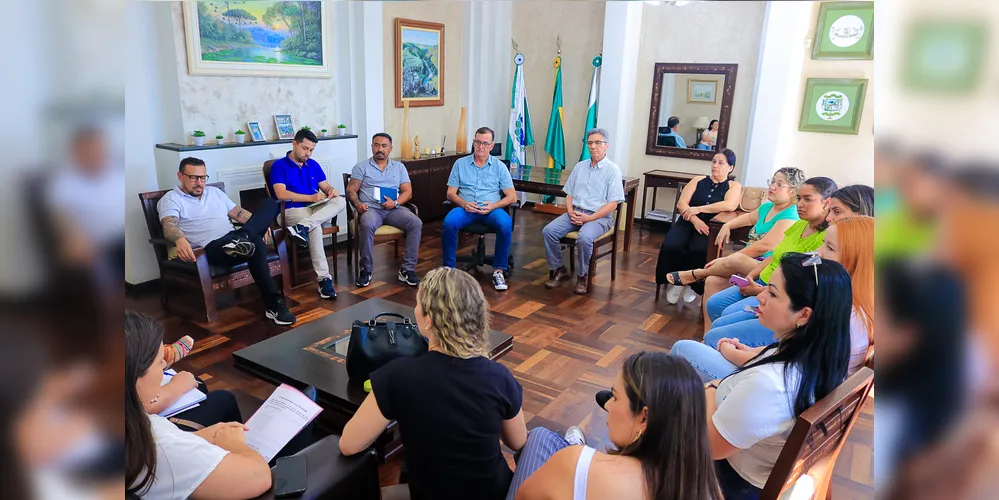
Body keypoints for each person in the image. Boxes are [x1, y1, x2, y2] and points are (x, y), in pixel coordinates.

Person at [339, 267, 528, 500]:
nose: (415, 309)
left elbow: (349, 445)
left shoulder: (397, 375)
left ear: (429, 320)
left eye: (418, 303)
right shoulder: (499, 376)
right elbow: (518, 441)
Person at [705, 254, 853, 499]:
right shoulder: (820, 356)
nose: (759, 297)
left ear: (804, 315)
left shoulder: (771, 384)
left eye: (772, 293)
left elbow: (709, 447)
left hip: (730, 481)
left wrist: (710, 389)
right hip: (748, 466)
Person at [672, 216, 874, 380]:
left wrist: (732, 353)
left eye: (829, 248)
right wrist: (748, 352)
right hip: (784, 379)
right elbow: (785, 352)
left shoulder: (838, 314)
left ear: (856, 259)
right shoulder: (852, 305)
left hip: (775, 389)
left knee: (684, 349)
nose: (818, 253)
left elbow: (781, 365)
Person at [507, 352, 723, 500]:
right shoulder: (707, 488)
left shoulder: (576, 465)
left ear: (645, 417)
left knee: (539, 438)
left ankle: (569, 443)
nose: (607, 405)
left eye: (616, 398)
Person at [125, 310, 272, 499]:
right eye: (160, 362)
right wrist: (234, 444)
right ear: (135, 377)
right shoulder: (155, 443)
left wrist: (202, 437)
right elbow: (258, 476)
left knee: (220, 398)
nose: (164, 367)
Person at [158, 157, 295, 325]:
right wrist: (179, 239)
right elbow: (169, 225)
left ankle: (242, 238)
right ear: (180, 176)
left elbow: (238, 213)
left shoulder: (214, 192)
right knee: (256, 243)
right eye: (193, 178)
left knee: (270, 203)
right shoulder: (171, 199)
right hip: (211, 248)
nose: (199, 182)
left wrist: (258, 223)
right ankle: (274, 304)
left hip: (234, 238)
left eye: (203, 177)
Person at [700, 177, 837, 329]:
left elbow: (801, 282)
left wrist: (759, 290)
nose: (800, 204)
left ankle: (722, 342)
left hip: (779, 293)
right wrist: (752, 276)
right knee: (714, 304)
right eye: (799, 198)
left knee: (726, 316)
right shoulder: (800, 224)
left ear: (827, 202)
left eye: (808, 199)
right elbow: (775, 254)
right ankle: (713, 341)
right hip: (762, 281)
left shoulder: (825, 240)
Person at [664, 167, 805, 290]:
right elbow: (749, 218)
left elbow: (765, 246)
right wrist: (728, 225)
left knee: (736, 260)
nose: (772, 186)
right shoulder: (767, 207)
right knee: (712, 282)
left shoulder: (791, 215)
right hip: (750, 263)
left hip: (768, 267)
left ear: (793, 191)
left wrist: (729, 259)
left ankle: (696, 274)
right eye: (772, 181)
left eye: (779, 184)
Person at [542, 128, 625, 295]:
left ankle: (582, 276)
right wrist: (571, 211)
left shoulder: (613, 171)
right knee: (548, 231)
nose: (593, 146)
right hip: (575, 212)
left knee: (584, 238)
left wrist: (590, 218)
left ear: (606, 145)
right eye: (590, 143)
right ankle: (560, 270)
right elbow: (569, 194)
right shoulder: (580, 167)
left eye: (598, 143)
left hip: (599, 217)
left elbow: (613, 204)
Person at [268, 129, 347, 300]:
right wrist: (310, 197)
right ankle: (324, 279)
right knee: (315, 228)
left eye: (311, 150)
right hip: (290, 211)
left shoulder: (313, 165)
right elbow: (281, 194)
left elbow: (325, 187)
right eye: (305, 148)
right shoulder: (279, 166)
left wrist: (331, 190)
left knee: (340, 200)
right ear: (294, 144)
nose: (308, 153)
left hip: (314, 209)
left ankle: (302, 227)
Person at [656, 149, 742, 304]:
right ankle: (676, 282)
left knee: (699, 249)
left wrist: (699, 209)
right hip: (688, 221)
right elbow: (682, 204)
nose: (715, 165)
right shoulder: (698, 180)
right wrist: (695, 219)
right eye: (714, 161)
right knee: (671, 245)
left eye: (721, 163)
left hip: (710, 226)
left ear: (731, 167)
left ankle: (692, 283)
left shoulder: (733, 185)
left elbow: (730, 204)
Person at [441, 127, 518, 291]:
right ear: (474, 142)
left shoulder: (499, 167)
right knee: (449, 222)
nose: (480, 146)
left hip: (491, 210)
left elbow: (512, 197)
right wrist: (463, 204)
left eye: (485, 143)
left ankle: (499, 270)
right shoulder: (460, 164)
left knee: (506, 224)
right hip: (466, 208)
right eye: (478, 142)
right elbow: (450, 193)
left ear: (491, 146)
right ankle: (449, 271)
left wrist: (494, 206)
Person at [346, 132, 424, 288]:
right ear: (372, 147)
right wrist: (358, 204)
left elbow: (408, 192)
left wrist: (395, 203)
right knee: (367, 224)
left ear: (390, 148)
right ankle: (366, 270)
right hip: (371, 209)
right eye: (376, 145)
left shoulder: (399, 167)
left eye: (383, 146)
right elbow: (351, 191)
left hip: (394, 209)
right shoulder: (362, 167)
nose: (379, 149)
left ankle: (407, 270)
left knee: (416, 222)